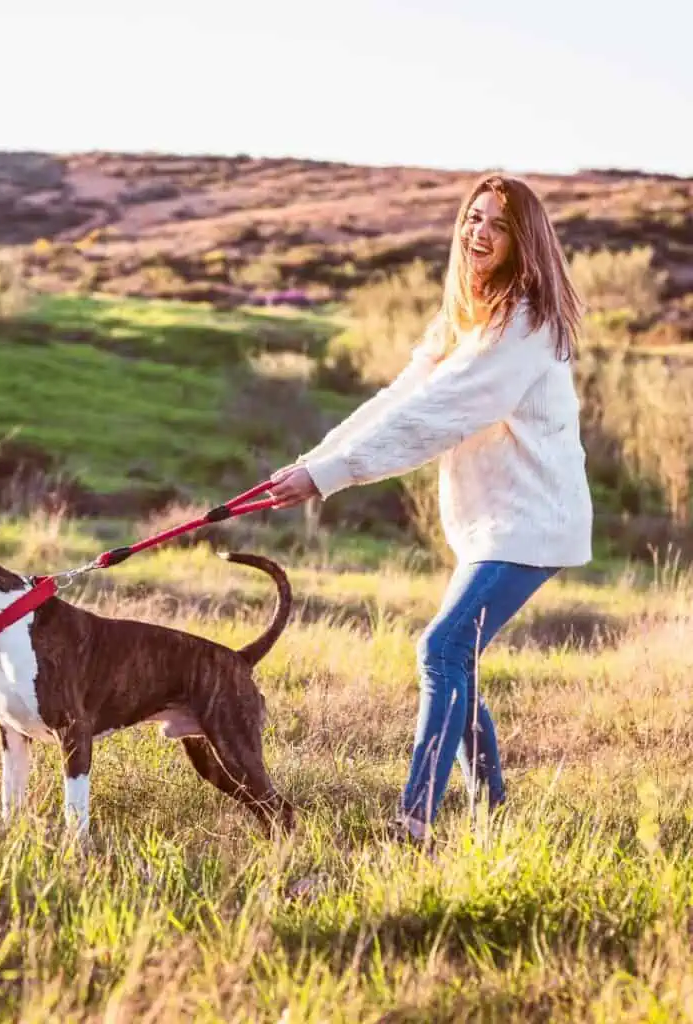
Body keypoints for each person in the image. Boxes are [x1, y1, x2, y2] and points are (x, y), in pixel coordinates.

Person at [268, 173, 593, 845]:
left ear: (524, 242)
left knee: (441, 650)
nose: (480, 232)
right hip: (491, 525)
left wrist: (328, 478)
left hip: (533, 524)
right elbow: (402, 399)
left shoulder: (524, 324)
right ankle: (493, 815)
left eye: (499, 225)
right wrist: (316, 462)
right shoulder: (466, 319)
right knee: (458, 661)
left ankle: (413, 821)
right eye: (474, 218)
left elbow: (442, 416)